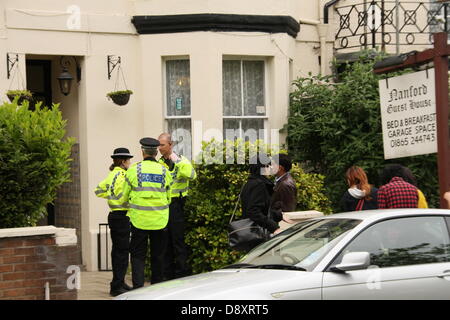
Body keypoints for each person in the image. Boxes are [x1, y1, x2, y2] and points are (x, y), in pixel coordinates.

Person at [122, 138, 172, 288]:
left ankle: (138, 289)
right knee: (158, 256)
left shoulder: (133, 170)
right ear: (156, 152)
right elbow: (169, 197)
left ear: (142, 152)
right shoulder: (165, 171)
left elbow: (124, 197)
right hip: (160, 221)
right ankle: (156, 289)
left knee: (138, 256)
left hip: (139, 221)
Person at [94, 147, 134, 297]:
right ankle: (117, 286)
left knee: (117, 251)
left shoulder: (111, 175)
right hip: (123, 216)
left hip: (113, 216)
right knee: (122, 253)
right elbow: (125, 195)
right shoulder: (124, 175)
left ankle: (119, 282)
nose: (130, 162)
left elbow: (98, 190)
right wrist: (125, 202)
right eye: (128, 160)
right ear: (123, 161)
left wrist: (110, 197)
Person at [158, 133, 196, 280]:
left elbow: (192, 175)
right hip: (162, 206)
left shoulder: (181, 160)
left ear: (170, 144)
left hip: (176, 206)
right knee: (164, 243)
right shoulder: (159, 163)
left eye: (162, 145)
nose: (160, 148)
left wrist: (176, 161)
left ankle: (181, 274)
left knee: (178, 242)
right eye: (158, 145)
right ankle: (167, 276)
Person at [241, 153, 283, 238]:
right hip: (258, 233)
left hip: (252, 231)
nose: (270, 168)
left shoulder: (251, 182)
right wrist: (274, 227)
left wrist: (279, 215)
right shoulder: (259, 184)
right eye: (268, 165)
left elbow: (263, 208)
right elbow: (253, 211)